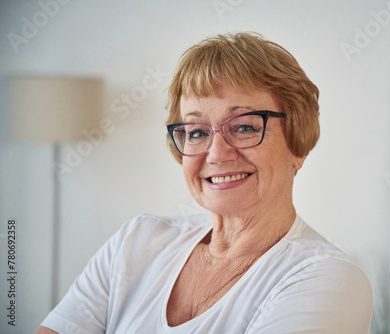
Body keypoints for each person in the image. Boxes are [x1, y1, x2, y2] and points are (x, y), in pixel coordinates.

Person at [37, 32, 372, 334]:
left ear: (298, 144)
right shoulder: (136, 243)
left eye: (244, 127)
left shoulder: (327, 279)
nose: (217, 153)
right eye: (197, 132)